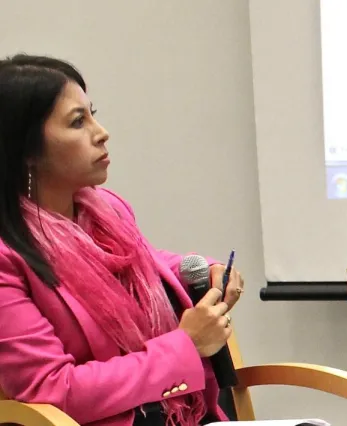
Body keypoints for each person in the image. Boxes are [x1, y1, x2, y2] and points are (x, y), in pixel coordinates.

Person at [0, 54, 244, 426]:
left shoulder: (104, 211)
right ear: (28, 150)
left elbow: (143, 261)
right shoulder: (7, 257)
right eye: (78, 122)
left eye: (92, 113)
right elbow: (53, 389)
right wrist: (184, 347)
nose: (101, 132)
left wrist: (201, 270)